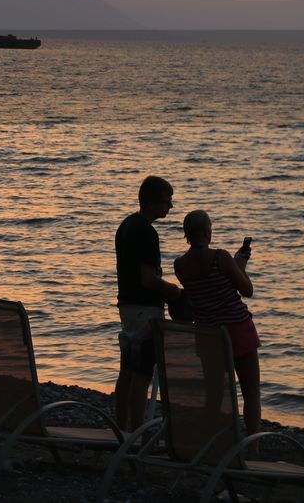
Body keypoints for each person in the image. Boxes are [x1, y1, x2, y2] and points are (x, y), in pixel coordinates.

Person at [173, 209, 260, 441]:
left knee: (214, 394)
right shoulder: (221, 258)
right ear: (205, 232)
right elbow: (247, 290)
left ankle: (214, 442)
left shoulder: (179, 265)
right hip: (237, 330)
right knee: (251, 394)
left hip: (208, 335)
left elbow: (206, 288)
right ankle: (253, 447)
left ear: (187, 235)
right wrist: (239, 266)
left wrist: (233, 265)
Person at [113, 175, 184, 431]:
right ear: (152, 202)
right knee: (142, 374)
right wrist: (173, 291)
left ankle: (121, 429)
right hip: (145, 310)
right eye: (167, 201)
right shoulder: (147, 233)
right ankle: (134, 432)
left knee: (127, 371)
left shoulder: (126, 225)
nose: (170, 207)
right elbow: (149, 279)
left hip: (128, 306)